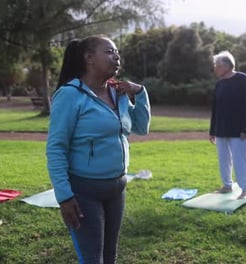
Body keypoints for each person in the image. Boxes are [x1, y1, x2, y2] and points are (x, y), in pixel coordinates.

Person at [46, 35, 151, 263]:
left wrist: (140, 93)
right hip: (84, 192)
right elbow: (56, 148)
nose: (117, 56)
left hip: (117, 188)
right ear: (89, 58)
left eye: (117, 53)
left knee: (110, 256)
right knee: (93, 258)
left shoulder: (118, 92)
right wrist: (64, 197)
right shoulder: (70, 95)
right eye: (110, 51)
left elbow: (141, 128)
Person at [209, 50, 246, 199]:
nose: (215, 69)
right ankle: (227, 185)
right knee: (223, 159)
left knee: (239, 159)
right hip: (221, 129)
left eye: (217, 65)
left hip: (239, 129)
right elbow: (215, 108)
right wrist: (212, 130)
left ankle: (244, 189)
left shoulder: (242, 79)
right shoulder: (219, 84)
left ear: (227, 66)